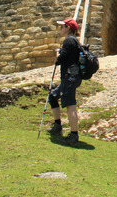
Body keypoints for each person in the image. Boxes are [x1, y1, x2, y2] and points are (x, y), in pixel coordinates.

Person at [46, 18, 82, 147]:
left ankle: (73, 135)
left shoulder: (68, 41)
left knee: (70, 105)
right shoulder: (75, 41)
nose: (60, 29)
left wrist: (57, 53)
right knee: (53, 96)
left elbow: (60, 60)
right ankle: (57, 125)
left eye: (62, 27)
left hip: (70, 76)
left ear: (68, 28)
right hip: (73, 76)